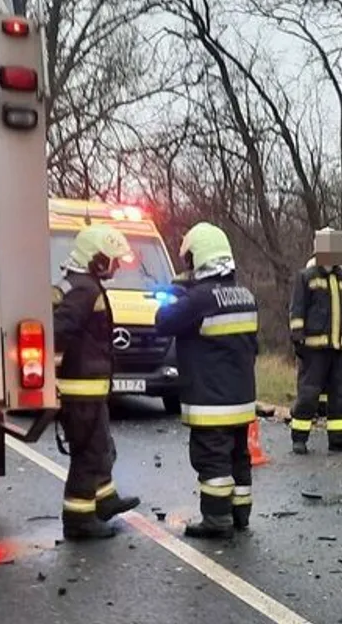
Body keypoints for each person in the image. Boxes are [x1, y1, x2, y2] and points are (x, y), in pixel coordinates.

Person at [154, 223, 260, 539]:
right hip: (241, 399)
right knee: (238, 457)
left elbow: (163, 323)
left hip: (209, 401)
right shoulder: (246, 296)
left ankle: (216, 519)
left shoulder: (199, 299)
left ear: (197, 258)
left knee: (211, 459)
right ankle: (240, 514)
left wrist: (175, 295)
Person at [52, 223, 141, 540]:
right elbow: (58, 330)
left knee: (101, 446)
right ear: (96, 259)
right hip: (81, 390)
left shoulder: (82, 284)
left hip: (90, 388)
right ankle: (79, 520)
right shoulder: (83, 290)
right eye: (112, 260)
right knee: (88, 454)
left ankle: (105, 499)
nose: (115, 266)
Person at [288, 228, 342, 454]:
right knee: (309, 394)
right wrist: (297, 337)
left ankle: (338, 439)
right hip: (315, 349)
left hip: (340, 348)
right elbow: (298, 309)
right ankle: (299, 438)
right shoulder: (306, 277)